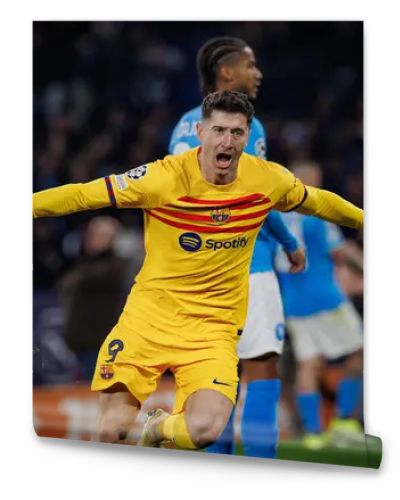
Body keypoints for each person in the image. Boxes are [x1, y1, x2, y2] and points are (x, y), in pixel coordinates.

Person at [33, 90, 363, 451]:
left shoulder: (267, 179)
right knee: (112, 433)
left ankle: (160, 428)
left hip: (212, 330)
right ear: (201, 133)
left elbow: (318, 201)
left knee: (203, 430)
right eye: (219, 130)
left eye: (237, 133)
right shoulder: (162, 178)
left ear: (248, 137)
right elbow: (82, 195)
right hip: (148, 321)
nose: (227, 141)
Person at [169, 37, 305, 458]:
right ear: (226, 72)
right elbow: (257, 198)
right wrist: (288, 242)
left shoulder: (185, 126)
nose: (258, 73)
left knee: (215, 374)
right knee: (261, 369)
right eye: (251, 64)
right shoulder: (247, 126)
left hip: (200, 274)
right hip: (250, 265)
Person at [271, 161, 364, 449]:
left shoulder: (274, 215)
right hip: (326, 297)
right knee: (359, 354)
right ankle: (344, 422)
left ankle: (312, 434)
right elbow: (339, 252)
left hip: (294, 302)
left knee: (308, 365)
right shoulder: (319, 212)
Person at [59, 216, 127, 381]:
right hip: (79, 342)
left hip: (101, 344)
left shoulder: (114, 268)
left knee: (97, 390)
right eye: (91, 234)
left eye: (101, 235)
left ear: (113, 239)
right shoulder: (83, 263)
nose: (92, 239)